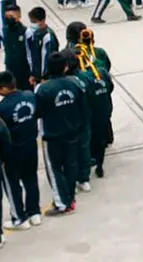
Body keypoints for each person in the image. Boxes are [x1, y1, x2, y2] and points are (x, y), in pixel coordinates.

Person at [35, 51, 85, 216]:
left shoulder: (42, 89)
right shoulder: (75, 83)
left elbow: (39, 112)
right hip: (72, 131)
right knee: (71, 165)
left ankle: (62, 203)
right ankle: (70, 197)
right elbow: (82, 107)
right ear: (65, 67)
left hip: (52, 135)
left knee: (54, 169)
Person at [0, 70, 41, 229]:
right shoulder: (30, 96)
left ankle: (19, 218)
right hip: (31, 145)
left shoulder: (2, 108)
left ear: (4, 89)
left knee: (12, 184)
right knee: (31, 178)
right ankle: (34, 212)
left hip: (12, 151)